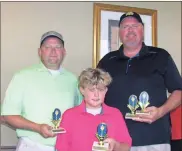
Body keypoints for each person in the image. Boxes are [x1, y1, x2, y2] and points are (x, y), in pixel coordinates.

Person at [97, 12, 182, 151]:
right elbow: (95, 93)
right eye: (125, 26)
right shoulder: (107, 60)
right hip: (114, 140)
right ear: (120, 32)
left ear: (142, 30)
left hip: (153, 139)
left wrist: (160, 112)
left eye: (134, 26)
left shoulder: (161, 56)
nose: (130, 30)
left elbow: (179, 91)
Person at [1, 31, 82, 151]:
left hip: (65, 146)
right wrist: (38, 128)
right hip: (32, 146)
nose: (53, 51)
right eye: (47, 47)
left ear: (64, 52)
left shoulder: (74, 79)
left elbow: (80, 112)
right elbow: (8, 115)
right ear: (40, 52)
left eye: (58, 47)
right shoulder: (22, 76)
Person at [55, 68, 132, 151]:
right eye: (92, 90)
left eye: (100, 90)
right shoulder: (69, 115)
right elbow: (62, 147)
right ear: (82, 90)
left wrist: (115, 146)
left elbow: (126, 146)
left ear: (106, 91)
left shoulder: (115, 114)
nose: (96, 94)